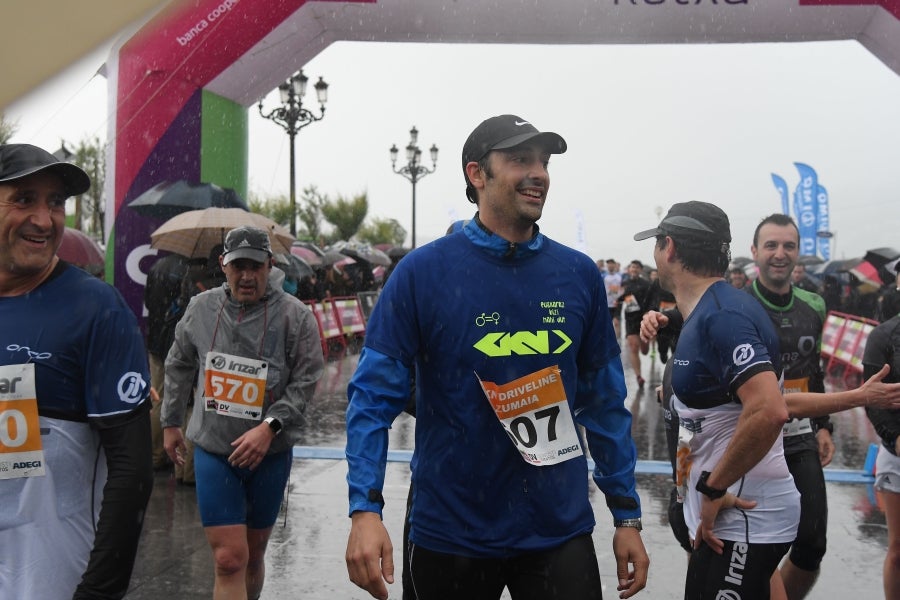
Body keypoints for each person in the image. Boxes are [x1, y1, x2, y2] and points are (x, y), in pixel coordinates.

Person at [345, 114, 649, 600]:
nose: (539, 172)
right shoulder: (422, 273)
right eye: (520, 160)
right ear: (476, 174)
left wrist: (626, 515)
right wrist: (365, 510)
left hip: (557, 526)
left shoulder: (577, 275)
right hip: (451, 529)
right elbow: (370, 399)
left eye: (544, 162)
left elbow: (605, 402)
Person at [0, 143, 153, 599]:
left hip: (51, 575)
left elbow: (131, 473)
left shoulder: (95, 308)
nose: (45, 220)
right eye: (24, 199)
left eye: (55, 203)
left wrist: (99, 592)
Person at [634, 201, 800, 599]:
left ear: (669, 248)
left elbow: (769, 410)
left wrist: (712, 488)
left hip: (740, 510)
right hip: (727, 509)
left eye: (656, 245)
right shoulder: (706, 311)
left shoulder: (723, 316)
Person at [161, 225, 325, 599]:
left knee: (252, 557)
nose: (247, 276)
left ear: (271, 265)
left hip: (270, 454)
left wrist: (270, 427)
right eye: (238, 266)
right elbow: (179, 363)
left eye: (256, 266)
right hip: (215, 451)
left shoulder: (295, 317)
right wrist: (171, 421)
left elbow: (306, 380)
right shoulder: (201, 308)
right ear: (223, 265)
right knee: (229, 559)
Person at [747, 214, 832, 599]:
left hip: (798, 436)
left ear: (798, 252)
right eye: (771, 246)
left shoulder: (815, 305)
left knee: (812, 543)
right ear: (755, 252)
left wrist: (825, 424)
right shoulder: (736, 304)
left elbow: (813, 371)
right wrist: (656, 319)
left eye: (788, 246)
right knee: (750, 545)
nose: (780, 254)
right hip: (749, 438)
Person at [863, 309, 900, 599]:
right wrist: (895, 438)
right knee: (898, 550)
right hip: (896, 453)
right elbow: (871, 399)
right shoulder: (884, 336)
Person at [144, 252, 190, 471]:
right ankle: (174, 458)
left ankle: (155, 454)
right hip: (174, 342)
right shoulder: (188, 271)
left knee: (158, 397)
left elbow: (148, 302)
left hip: (155, 339)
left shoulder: (156, 267)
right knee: (179, 400)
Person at [617, 259, 651, 388]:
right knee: (634, 347)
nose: (634, 269)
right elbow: (619, 300)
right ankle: (639, 376)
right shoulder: (625, 284)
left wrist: (649, 311)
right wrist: (616, 315)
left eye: (636, 267)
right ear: (629, 270)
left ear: (640, 270)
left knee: (644, 350)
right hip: (630, 319)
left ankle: (646, 346)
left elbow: (652, 300)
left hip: (644, 318)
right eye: (632, 267)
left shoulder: (646, 284)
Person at [604, 257, 623, 338]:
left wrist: (619, 297)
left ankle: (618, 341)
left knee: (616, 322)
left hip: (617, 303)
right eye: (609, 264)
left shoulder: (620, 276)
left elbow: (623, 289)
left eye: (612, 264)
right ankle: (608, 340)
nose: (610, 266)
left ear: (615, 265)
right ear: (607, 266)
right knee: (607, 324)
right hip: (607, 303)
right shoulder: (603, 276)